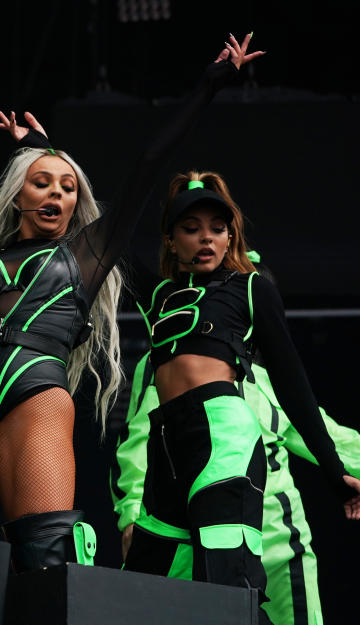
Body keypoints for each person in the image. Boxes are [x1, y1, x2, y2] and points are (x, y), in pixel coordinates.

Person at [0, 36, 261, 574]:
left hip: (29, 391)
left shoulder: (86, 254)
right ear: (18, 194)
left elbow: (150, 163)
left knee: (44, 554)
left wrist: (211, 83)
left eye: (69, 188)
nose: (57, 195)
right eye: (42, 184)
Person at [122, 141, 360, 618]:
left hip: (221, 429)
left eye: (218, 228)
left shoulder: (250, 288)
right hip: (168, 441)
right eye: (190, 229)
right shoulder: (159, 296)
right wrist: (46, 151)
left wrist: (336, 476)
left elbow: (297, 390)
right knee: (142, 588)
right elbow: (108, 230)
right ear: (171, 240)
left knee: (224, 582)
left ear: (232, 238)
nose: (206, 238)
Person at [114, 326, 360, 625]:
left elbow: (335, 440)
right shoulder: (164, 366)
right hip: (199, 540)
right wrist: (131, 515)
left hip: (278, 546)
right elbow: (139, 439)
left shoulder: (269, 382)